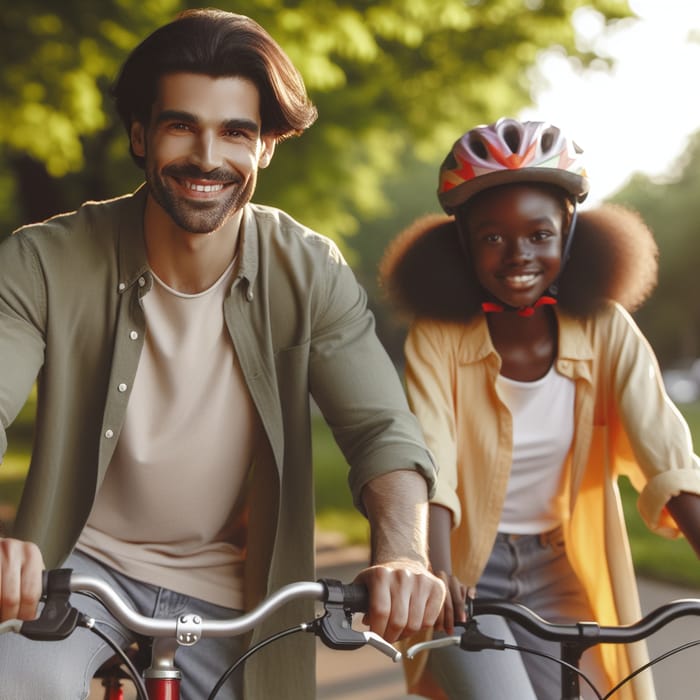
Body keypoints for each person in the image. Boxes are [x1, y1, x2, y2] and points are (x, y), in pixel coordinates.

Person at [0, 9, 446, 699]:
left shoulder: (310, 272)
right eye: (182, 125)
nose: (207, 157)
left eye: (236, 131)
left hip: (237, 594)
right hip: (76, 574)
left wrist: (404, 555)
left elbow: (381, 430)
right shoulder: (44, 259)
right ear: (141, 135)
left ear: (266, 146)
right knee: (21, 685)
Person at [379, 117, 700, 700]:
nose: (517, 255)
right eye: (493, 238)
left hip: (561, 566)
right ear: (462, 244)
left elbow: (669, 456)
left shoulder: (606, 330)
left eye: (539, 234)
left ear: (570, 235)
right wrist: (437, 571)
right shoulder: (438, 338)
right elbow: (434, 459)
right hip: (467, 571)